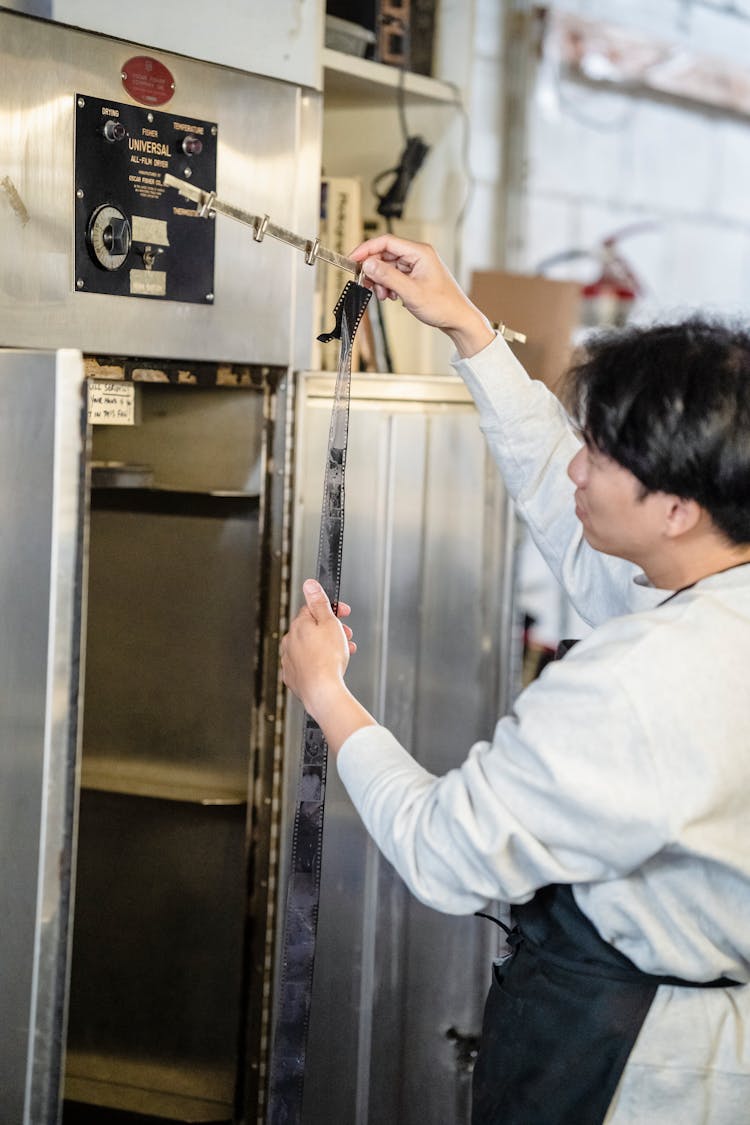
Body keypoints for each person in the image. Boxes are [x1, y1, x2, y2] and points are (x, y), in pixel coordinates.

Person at [281, 235, 750, 1123]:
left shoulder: (639, 682)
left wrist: (328, 696)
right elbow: (560, 495)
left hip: (633, 1066)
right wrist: (465, 326)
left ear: (678, 508)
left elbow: (443, 851)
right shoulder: (715, 589)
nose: (577, 464)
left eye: (602, 455)